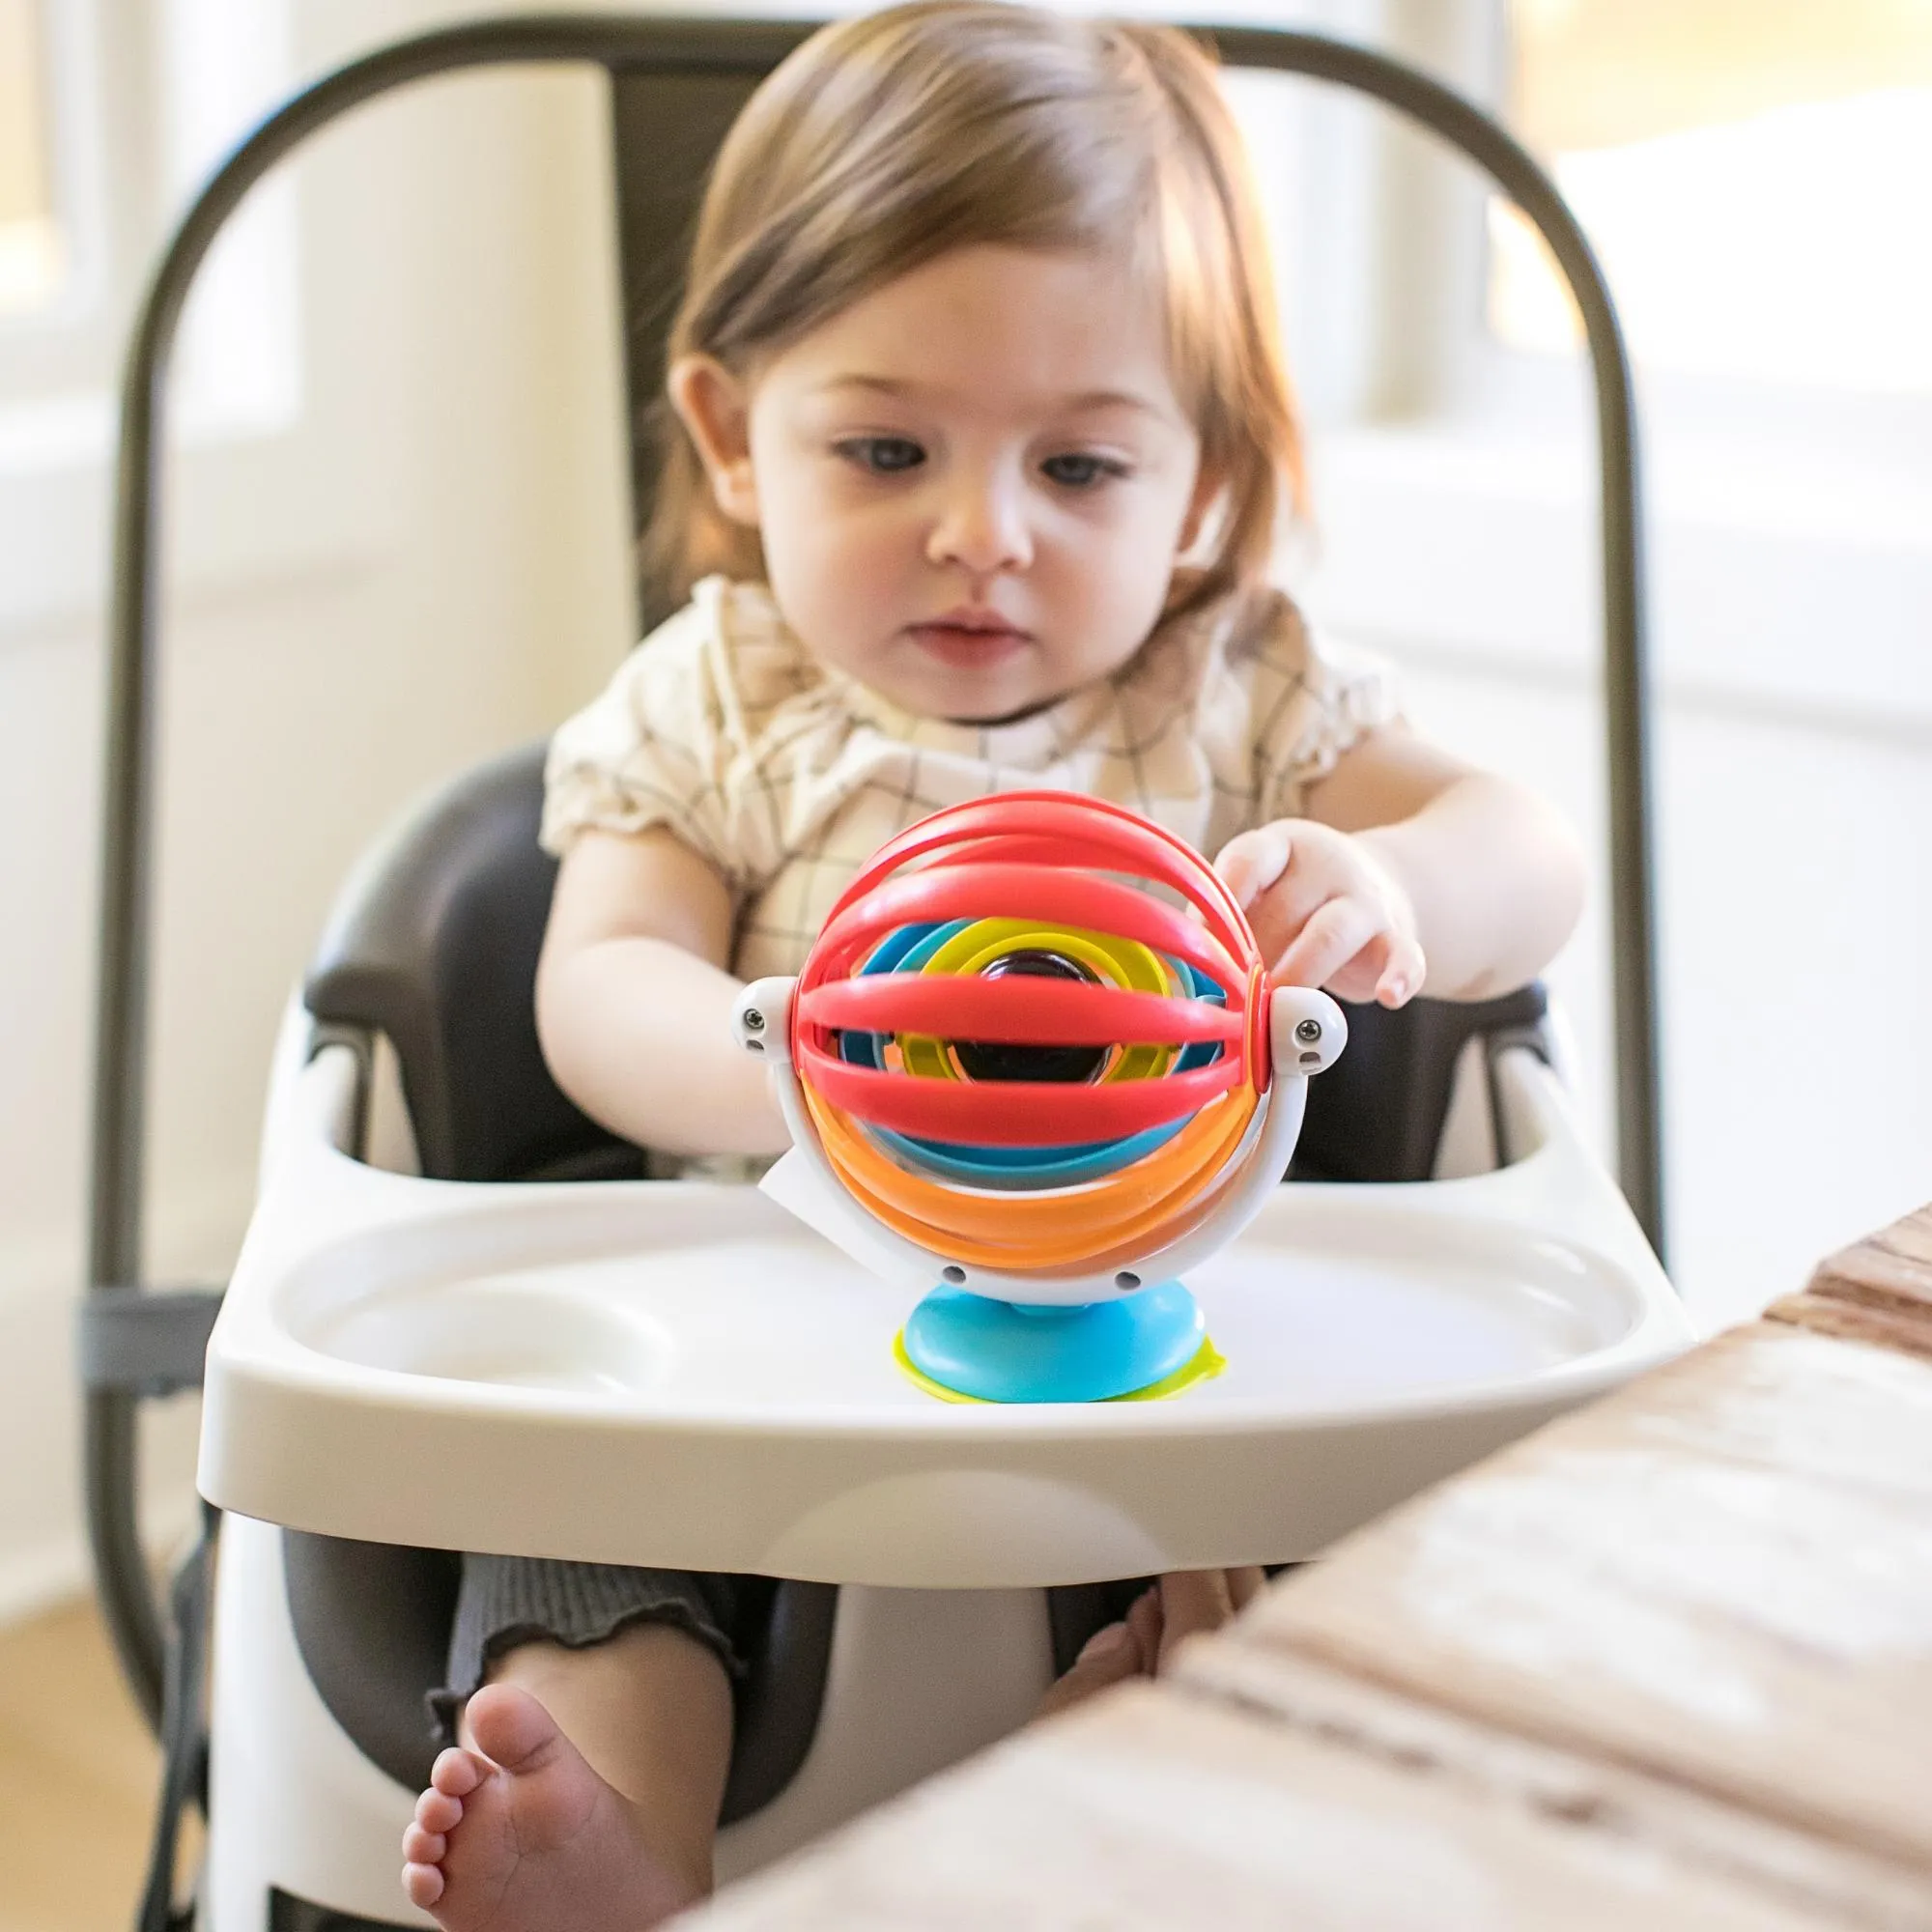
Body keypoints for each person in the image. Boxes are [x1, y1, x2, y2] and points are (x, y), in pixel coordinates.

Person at [401, 5, 1585, 1925]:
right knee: (586, 1524)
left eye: (1083, 469)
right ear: (731, 432)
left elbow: (1530, 846)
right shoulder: (721, 698)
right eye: (885, 447)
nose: (982, 536)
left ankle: (1153, 1756)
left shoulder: (1238, 688)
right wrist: (766, 1052)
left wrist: (1393, 880)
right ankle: (611, 1808)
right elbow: (595, 983)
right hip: (769, 1324)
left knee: (1303, 1549)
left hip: (1178, 1348)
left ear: (1199, 481)